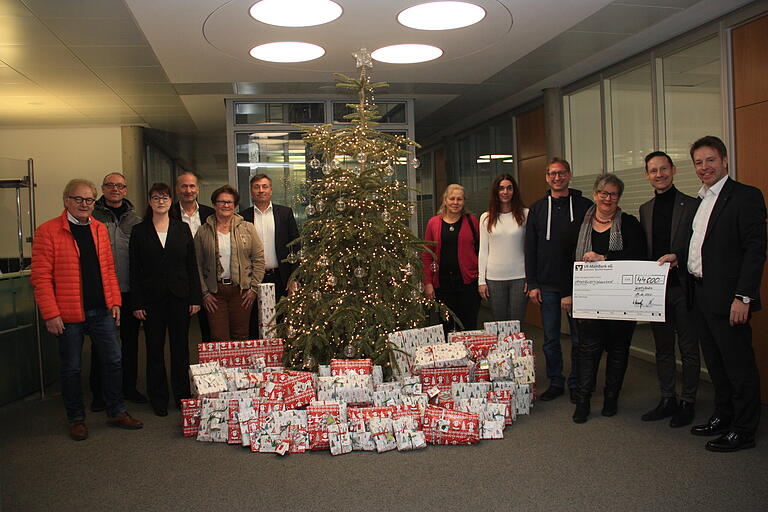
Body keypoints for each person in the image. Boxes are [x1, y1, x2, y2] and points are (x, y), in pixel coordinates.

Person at [31, 179, 143, 441]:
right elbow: (40, 278)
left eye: (89, 200)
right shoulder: (47, 231)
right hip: (68, 314)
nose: (84, 204)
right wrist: (50, 313)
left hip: (101, 310)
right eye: (78, 199)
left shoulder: (99, 229)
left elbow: (108, 269)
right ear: (66, 201)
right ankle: (76, 418)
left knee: (114, 360)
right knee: (71, 368)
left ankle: (116, 410)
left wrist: (115, 301)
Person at [686, 136, 766, 452]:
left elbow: (755, 250)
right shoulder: (702, 199)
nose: (704, 167)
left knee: (738, 365)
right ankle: (724, 415)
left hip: (730, 298)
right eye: (699, 162)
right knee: (716, 364)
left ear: (725, 160)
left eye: (710, 160)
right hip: (701, 294)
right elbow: (701, 245)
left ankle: (744, 430)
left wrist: (743, 296)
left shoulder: (745, 196)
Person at [561, 174, 647, 424]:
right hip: (588, 301)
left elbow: (639, 256)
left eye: (613, 194)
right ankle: (584, 400)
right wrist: (567, 293)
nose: (607, 198)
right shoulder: (579, 225)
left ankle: (611, 397)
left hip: (620, 302)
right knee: (588, 351)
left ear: (618, 197)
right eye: (603, 193)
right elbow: (564, 260)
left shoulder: (629, 224)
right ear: (595, 194)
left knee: (618, 350)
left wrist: (604, 258)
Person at [638, 151, 700, 428]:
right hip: (656, 292)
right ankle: (667, 398)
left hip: (684, 288)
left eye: (664, 169)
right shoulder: (645, 209)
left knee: (688, 348)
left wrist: (678, 256)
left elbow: (700, 247)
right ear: (647, 175)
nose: (659, 174)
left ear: (673, 170)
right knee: (663, 348)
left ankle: (688, 401)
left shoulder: (692, 205)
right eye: (654, 170)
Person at [129, 183, 202, 416]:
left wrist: (195, 297)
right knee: (154, 350)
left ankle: (182, 395)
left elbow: (191, 266)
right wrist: (137, 302)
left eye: (165, 197)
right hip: (151, 300)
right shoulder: (139, 231)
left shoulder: (182, 229)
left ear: (172, 201)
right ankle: (158, 397)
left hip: (180, 297)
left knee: (180, 349)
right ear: (149, 202)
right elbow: (135, 269)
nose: (161, 201)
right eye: (156, 197)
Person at [524, 158, 592, 403]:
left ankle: (577, 382)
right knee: (551, 339)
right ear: (546, 177)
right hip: (547, 285)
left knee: (578, 339)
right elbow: (530, 248)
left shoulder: (585, 206)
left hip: (579, 284)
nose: (557, 177)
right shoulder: (538, 209)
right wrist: (532, 283)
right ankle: (556, 381)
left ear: (569, 175)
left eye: (561, 173)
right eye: (552, 174)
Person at [90, 172, 146, 412]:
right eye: (110, 185)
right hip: (101, 291)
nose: (115, 189)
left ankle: (128, 387)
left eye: (120, 186)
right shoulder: (91, 216)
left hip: (128, 289)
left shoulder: (135, 220)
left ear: (125, 190)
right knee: (100, 343)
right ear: (103, 188)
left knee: (130, 343)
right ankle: (99, 393)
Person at [194, 185, 265, 341]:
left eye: (230, 202)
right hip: (215, 293)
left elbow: (259, 259)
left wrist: (253, 288)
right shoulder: (203, 231)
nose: (226, 205)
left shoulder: (248, 228)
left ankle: (240, 366)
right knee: (219, 338)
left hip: (241, 292)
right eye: (222, 202)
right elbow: (196, 265)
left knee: (241, 336)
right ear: (214, 204)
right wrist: (204, 293)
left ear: (235, 205)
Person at [240, 174, 299, 339]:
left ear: (271, 190)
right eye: (256, 187)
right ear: (251, 191)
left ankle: (281, 360)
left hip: (281, 278)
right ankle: (259, 360)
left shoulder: (285, 213)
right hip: (254, 280)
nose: (261, 190)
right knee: (254, 324)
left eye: (264, 186)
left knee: (281, 322)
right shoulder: (242, 217)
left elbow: (295, 245)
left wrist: (293, 277)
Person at [422, 184, 481, 332]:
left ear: (464, 201)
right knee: (446, 327)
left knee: (468, 327)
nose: (456, 202)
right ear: (445, 200)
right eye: (452, 198)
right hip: (442, 284)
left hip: (468, 283)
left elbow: (481, 250)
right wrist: (428, 283)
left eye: (459, 199)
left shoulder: (472, 221)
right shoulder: (433, 223)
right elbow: (427, 255)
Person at [170, 171, 215, 341]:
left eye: (192, 186)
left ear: (198, 189)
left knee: (209, 330)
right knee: (179, 333)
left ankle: (209, 368)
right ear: (177, 189)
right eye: (184, 186)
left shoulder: (210, 214)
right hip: (180, 279)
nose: (188, 190)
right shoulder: (168, 212)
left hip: (207, 280)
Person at [478, 174, 528, 322]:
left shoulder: (525, 214)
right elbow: (483, 250)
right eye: (501, 188)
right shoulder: (486, 218)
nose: (505, 192)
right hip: (494, 278)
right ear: (496, 192)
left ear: (514, 191)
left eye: (509, 188)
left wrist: (531, 278)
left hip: (520, 277)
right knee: (499, 323)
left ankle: (517, 347)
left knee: (516, 323)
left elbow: (530, 248)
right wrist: (481, 281)